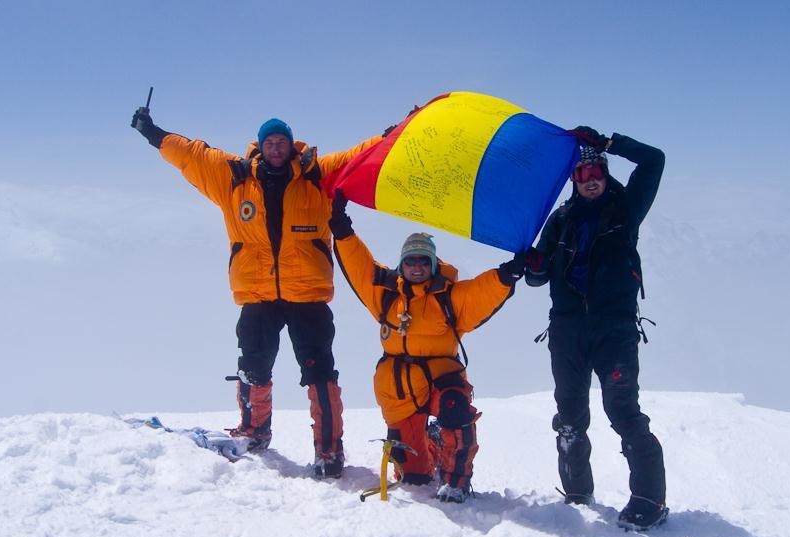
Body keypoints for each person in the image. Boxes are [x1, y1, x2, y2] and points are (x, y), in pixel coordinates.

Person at [131, 106, 385, 478]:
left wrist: (392, 135)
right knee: (253, 367)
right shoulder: (232, 178)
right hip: (258, 294)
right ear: (260, 146)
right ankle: (255, 430)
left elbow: (359, 156)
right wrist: (153, 134)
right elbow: (192, 156)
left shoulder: (319, 175)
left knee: (320, 374)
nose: (277, 148)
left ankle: (329, 450)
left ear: (291, 146)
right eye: (270, 142)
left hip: (308, 296)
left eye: (282, 142)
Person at [329, 195, 525, 503]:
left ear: (433, 265)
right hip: (398, 390)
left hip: (439, 381)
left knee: (455, 409)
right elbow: (358, 265)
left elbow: (480, 294)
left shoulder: (449, 298)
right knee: (414, 476)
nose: (417, 266)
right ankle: (432, 443)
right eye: (411, 260)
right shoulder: (384, 294)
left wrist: (507, 274)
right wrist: (341, 228)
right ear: (402, 264)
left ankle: (455, 483)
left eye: (424, 261)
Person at [525, 126, 668, 530]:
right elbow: (538, 275)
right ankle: (577, 494)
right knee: (569, 416)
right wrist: (535, 267)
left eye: (597, 175)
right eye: (583, 177)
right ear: (574, 180)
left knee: (623, 412)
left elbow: (654, 159)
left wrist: (610, 143)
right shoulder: (562, 220)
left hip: (614, 330)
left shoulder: (626, 209)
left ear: (606, 175)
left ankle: (649, 502)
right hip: (568, 332)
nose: (591, 183)